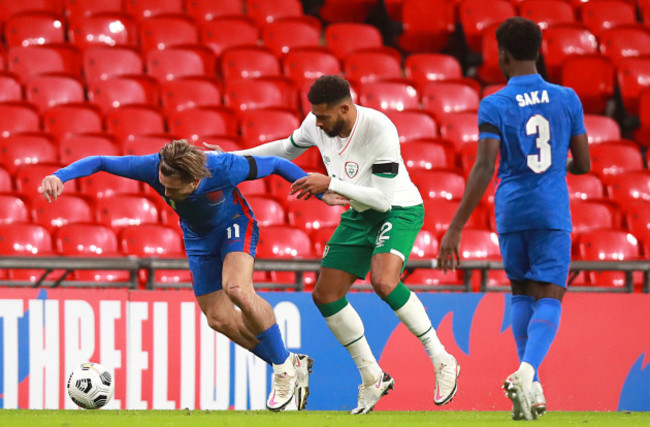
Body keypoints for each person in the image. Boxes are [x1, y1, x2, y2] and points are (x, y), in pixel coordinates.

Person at [211, 75, 460, 414]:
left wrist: (333, 183)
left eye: (324, 116)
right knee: (325, 295)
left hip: (399, 209)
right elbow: (285, 148)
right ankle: (372, 376)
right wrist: (231, 157)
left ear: (345, 108)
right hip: (359, 213)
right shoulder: (317, 124)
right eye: (314, 115)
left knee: (384, 281)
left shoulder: (379, 129)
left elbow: (384, 199)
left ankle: (442, 358)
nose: (317, 122)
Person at [39, 139, 346, 412]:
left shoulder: (224, 168)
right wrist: (59, 175)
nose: (166, 191)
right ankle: (290, 363)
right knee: (219, 319)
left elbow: (277, 163)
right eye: (163, 184)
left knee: (236, 288)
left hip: (235, 225)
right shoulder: (153, 167)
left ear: (196, 179)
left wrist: (321, 195)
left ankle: (283, 372)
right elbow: (101, 162)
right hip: (198, 239)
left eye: (173, 189)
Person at [437, 17, 591, 421]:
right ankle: (526, 372)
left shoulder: (495, 103)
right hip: (551, 210)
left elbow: (484, 167)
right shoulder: (567, 98)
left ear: (502, 55)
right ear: (539, 51)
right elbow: (585, 164)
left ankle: (531, 388)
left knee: (522, 292)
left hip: (512, 210)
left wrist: (455, 226)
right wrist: (562, 165)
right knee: (550, 296)